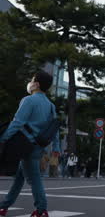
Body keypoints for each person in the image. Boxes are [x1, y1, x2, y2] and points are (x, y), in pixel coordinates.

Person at [0, 71, 60, 217]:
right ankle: (3, 206)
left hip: (26, 145)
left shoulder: (28, 100)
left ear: (37, 84)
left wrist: (3, 138)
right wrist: (56, 147)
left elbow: (17, 122)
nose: (30, 82)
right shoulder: (50, 105)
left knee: (34, 180)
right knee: (19, 179)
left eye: (32, 80)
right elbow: (54, 128)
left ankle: (41, 210)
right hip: (39, 147)